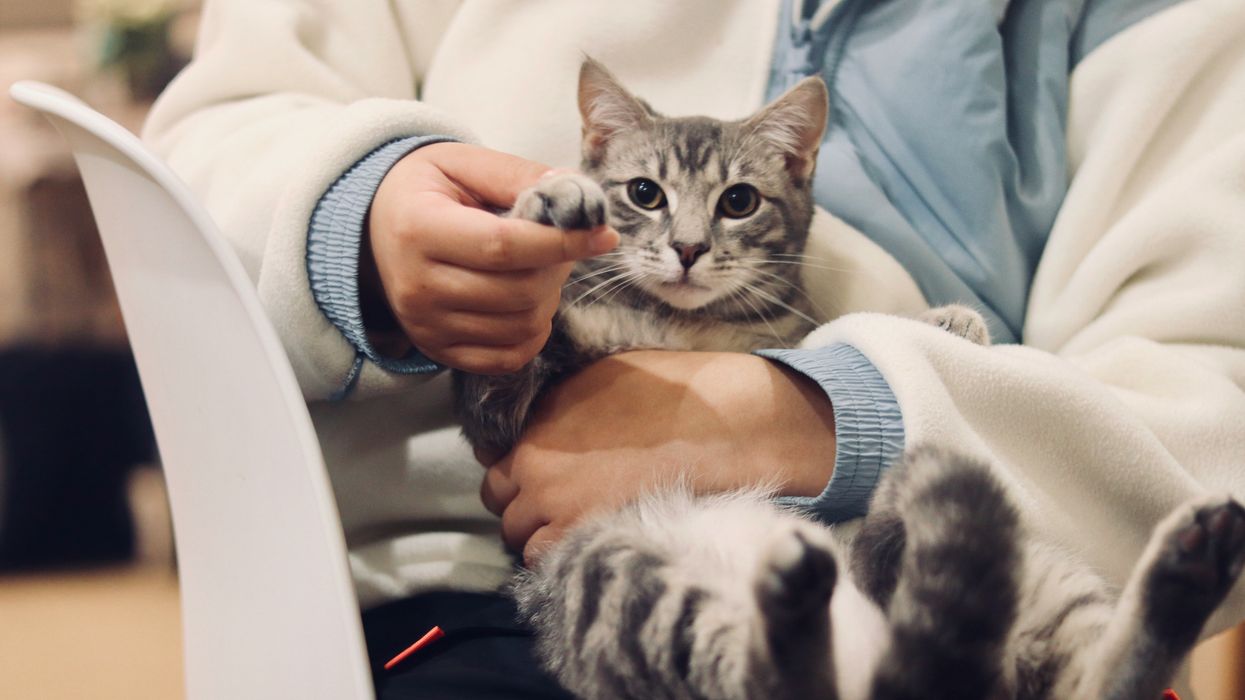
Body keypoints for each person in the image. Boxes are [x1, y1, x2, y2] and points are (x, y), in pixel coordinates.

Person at [144, 1, 1245, 697]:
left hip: (918, 567)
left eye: (728, 206)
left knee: (979, 571)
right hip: (474, 580)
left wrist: (825, 414)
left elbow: (1213, 399)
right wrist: (367, 212)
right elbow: (204, 145)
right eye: (643, 201)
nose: (678, 243)